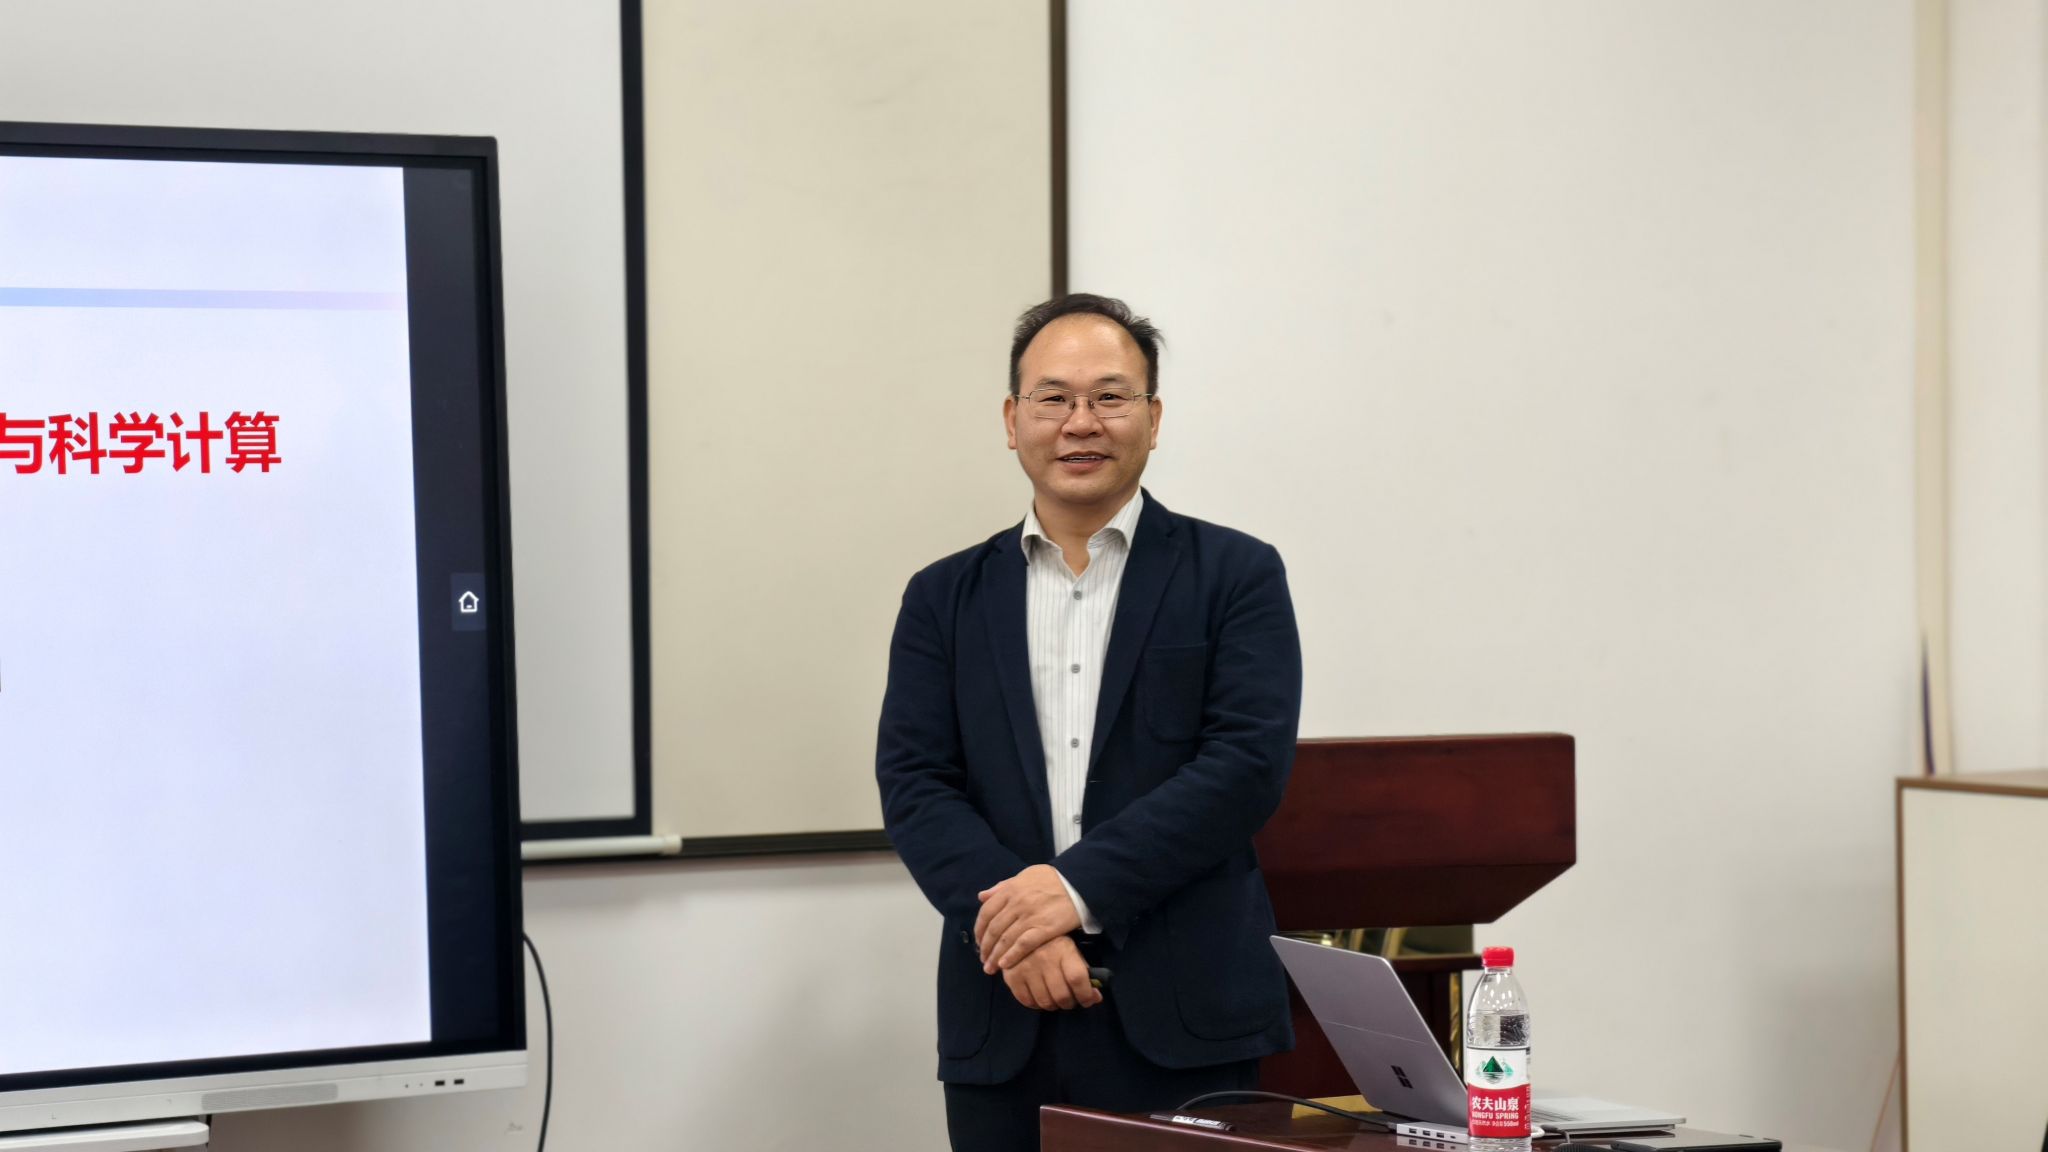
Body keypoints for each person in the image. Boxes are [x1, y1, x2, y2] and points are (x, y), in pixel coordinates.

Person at [875, 293, 1303, 1151]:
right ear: (1012, 420)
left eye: (1110, 397)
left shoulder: (1237, 575)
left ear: (1153, 418)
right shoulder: (942, 597)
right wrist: (1019, 931)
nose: (1081, 423)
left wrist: (1068, 894)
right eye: (1053, 398)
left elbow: (1243, 768)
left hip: (1189, 1019)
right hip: (1004, 1011)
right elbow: (916, 784)